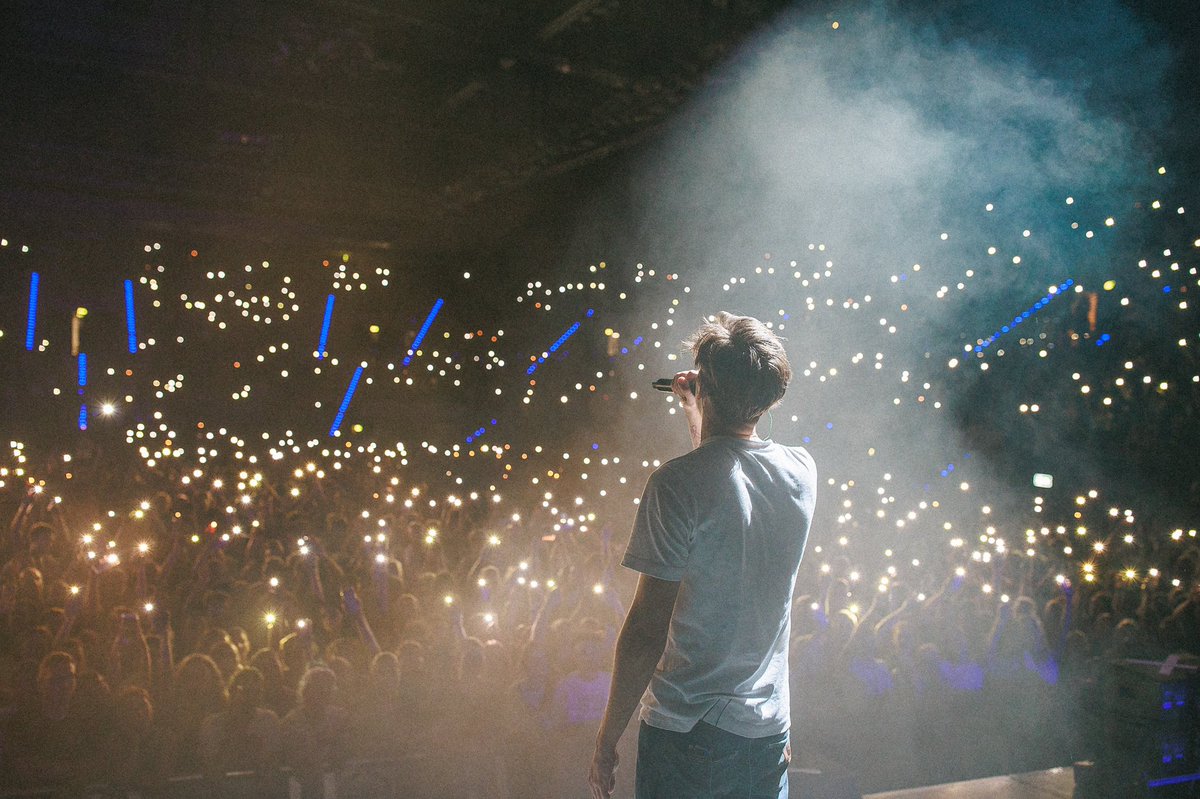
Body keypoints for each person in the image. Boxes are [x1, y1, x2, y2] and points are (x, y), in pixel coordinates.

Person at [589, 312, 817, 799]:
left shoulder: (674, 484)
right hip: (767, 729)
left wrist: (609, 737)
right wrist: (699, 408)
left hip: (687, 733)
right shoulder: (802, 471)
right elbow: (725, 476)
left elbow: (647, 628)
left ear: (707, 384)